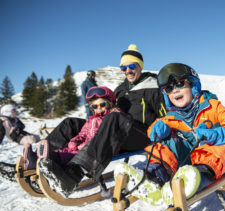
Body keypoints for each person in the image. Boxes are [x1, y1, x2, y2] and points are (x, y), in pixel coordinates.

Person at [37, 44, 166, 198]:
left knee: (114, 117)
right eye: (123, 68)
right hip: (117, 132)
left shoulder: (153, 86)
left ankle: (75, 173)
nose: (128, 71)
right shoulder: (120, 90)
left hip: (143, 135)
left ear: (140, 66)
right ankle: (45, 161)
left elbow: (165, 116)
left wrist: (162, 135)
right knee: (70, 123)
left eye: (131, 66)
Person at [114, 63, 225, 206]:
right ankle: (154, 178)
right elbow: (152, 131)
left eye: (179, 84)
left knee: (217, 147)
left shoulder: (212, 106)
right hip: (189, 158)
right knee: (165, 144)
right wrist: (157, 129)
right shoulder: (172, 116)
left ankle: (195, 178)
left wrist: (218, 134)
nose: (174, 91)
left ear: (193, 85)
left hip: (215, 158)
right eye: (168, 88)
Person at [23, 86, 120, 171]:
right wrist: (76, 140)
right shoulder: (91, 120)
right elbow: (83, 133)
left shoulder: (112, 118)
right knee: (64, 150)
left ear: (110, 103)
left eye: (102, 105)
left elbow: (108, 137)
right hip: (81, 147)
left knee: (66, 157)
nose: (98, 109)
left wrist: (116, 112)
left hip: (92, 151)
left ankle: (48, 160)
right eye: (94, 106)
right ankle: (34, 159)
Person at [0, 104, 40, 170]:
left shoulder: (13, 119)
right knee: (31, 140)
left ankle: (37, 155)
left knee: (37, 137)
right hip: (15, 137)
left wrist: (18, 124)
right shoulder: (3, 121)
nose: (15, 112)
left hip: (20, 134)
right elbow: (1, 132)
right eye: (14, 111)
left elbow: (22, 126)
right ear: (7, 112)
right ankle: (29, 161)